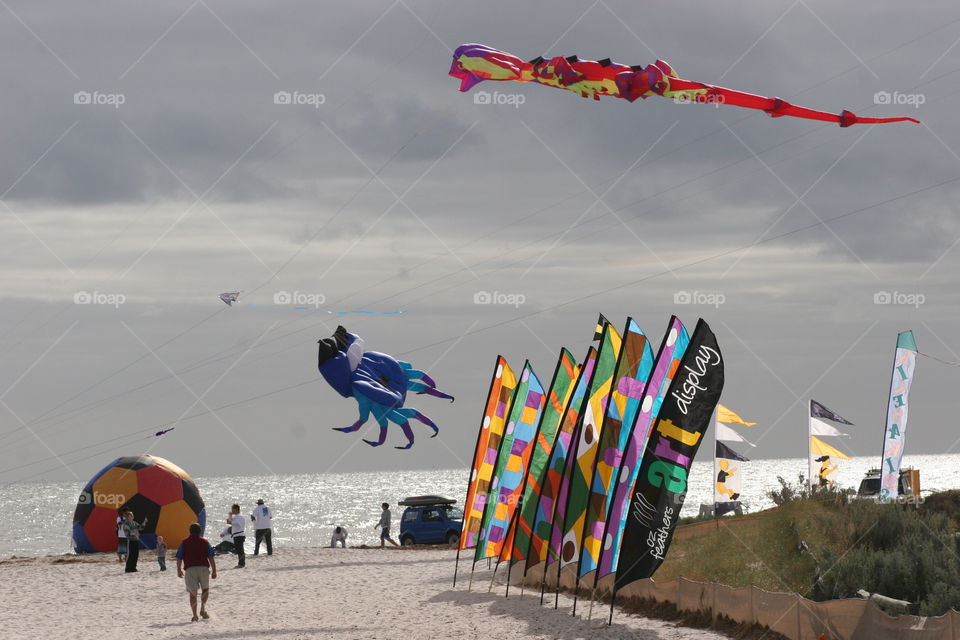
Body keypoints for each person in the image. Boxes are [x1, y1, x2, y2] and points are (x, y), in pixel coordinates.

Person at [176, 523, 218, 622]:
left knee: (193, 593)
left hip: (190, 569)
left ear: (190, 531)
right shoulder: (205, 542)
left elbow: (179, 557)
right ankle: (202, 608)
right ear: (200, 531)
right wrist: (214, 570)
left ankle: (195, 616)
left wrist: (179, 569)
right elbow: (211, 557)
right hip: (203, 568)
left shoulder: (184, 542)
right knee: (205, 590)